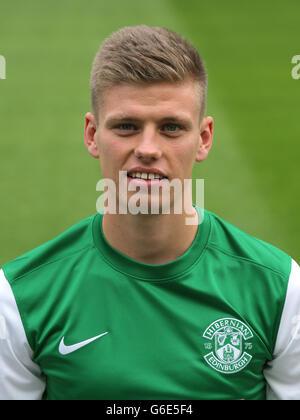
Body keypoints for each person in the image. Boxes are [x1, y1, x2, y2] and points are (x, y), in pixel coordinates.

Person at [0, 25, 299, 401]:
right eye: (126, 126)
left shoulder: (279, 288)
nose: (147, 148)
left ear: (203, 139)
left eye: (171, 128)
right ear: (92, 134)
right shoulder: (20, 298)